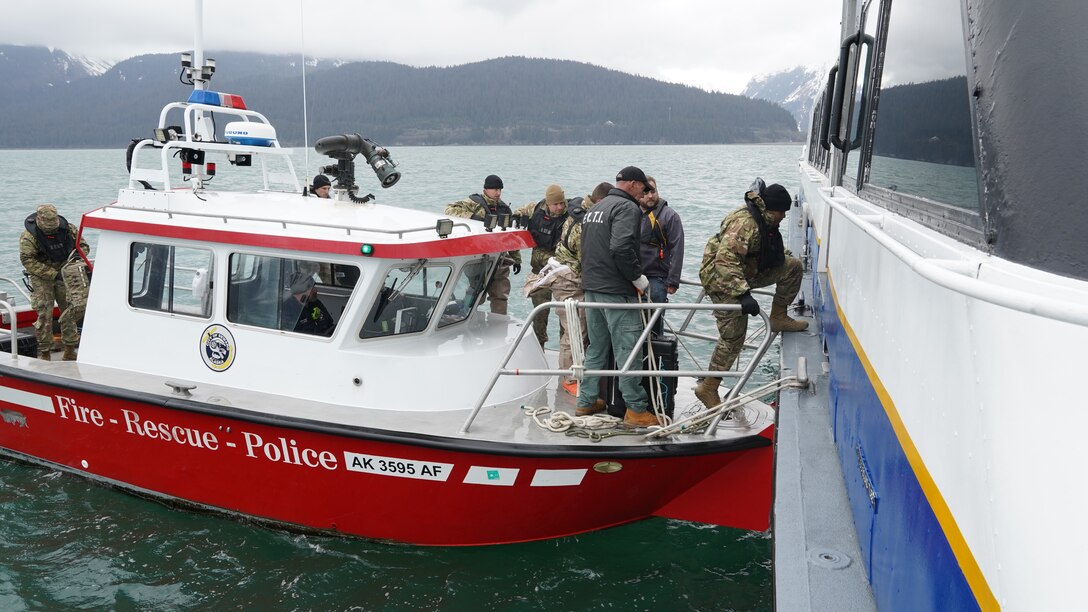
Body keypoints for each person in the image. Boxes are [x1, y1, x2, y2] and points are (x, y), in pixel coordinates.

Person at [694, 179, 809, 409]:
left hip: (746, 271)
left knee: (793, 266)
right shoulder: (745, 224)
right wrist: (743, 294)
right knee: (733, 337)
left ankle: (778, 317)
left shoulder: (765, 221)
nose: (784, 217)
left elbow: (769, 249)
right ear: (772, 209)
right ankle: (708, 387)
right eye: (782, 212)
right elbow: (724, 261)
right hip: (721, 279)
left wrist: (782, 257)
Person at [575, 167, 659, 428]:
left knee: (596, 347)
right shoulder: (627, 209)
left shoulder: (594, 210)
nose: (643, 194)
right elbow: (621, 247)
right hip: (617, 292)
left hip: (592, 289)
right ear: (633, 185)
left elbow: (586, 249)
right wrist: (638, 278)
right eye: (643, 189)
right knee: (628, 349)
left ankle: (586, 399)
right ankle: (635, 409)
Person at [550, 182, 612, 395]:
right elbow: (588, 256)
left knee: (576, 329)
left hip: (568, 277)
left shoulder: (582, 213)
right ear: (601, 201)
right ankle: (568, 378)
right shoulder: (583, 222)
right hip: (569, 281)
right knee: (575, 330)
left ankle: (574, 373)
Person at [19, 203, 90, 361]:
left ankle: (70, 349)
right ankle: (44, 352)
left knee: (70, 310)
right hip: (41, 276)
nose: (51, 229)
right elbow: (27, 260)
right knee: (45, 313)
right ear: (38, 220)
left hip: (65, 271)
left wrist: (72, 262)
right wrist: (52, 273)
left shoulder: (68, 229)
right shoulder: (29, 236)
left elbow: (83, 246)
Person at [444, 175, 522, 315]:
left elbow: (510, 235)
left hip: (499, 258)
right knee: (475, 295)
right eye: (495, 189)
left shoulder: (504, 209)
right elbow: (449, 209)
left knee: (500, 295)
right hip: (478, 258)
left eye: (500, 190)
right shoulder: (475, 203)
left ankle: (499, 326)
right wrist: (475, 218)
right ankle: (464, 318)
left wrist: (517, 259)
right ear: (486, 189)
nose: (498, 193)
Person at [513, 184, 569, 347]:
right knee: (540, 315)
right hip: (541, 273)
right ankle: (540, 346)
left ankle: (565, 349)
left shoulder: (570, 215)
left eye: (561, 203)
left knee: (565, 316)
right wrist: (518, 218)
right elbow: (518, 213)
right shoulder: (535, 209)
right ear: (548, 203)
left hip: (562, 273)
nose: (559, 207)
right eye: (556, 204)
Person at [637, 175, 684, 336]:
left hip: (657, 278)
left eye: (654, 191)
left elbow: (678, 248)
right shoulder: (630, 213)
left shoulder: (669, 216)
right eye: (646, 191)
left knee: (655, 329)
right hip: (632, 278)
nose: (651, 195)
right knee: (634, 326)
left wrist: (673, 280)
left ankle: (656, 360)